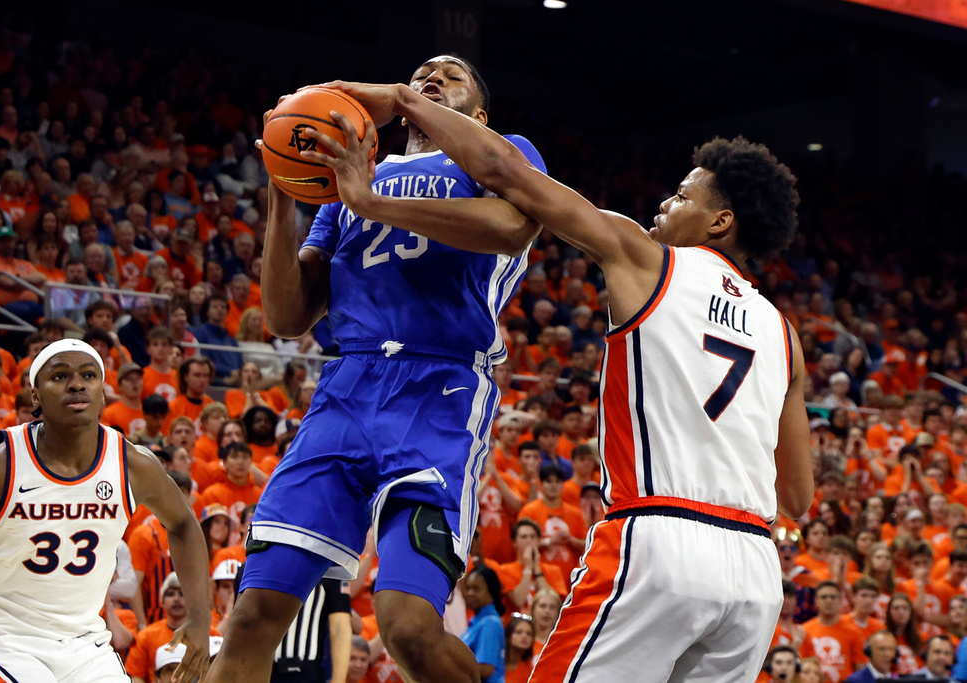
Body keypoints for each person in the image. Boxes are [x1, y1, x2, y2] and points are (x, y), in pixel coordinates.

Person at [310, 71, 813, 682]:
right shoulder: (784, 334)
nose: (665, 204)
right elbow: (797, 497)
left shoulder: (644, 257)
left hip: (660, 538)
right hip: (756, 570)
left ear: (720, 222)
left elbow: (507, 173)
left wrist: (403, 100)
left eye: (683, 197)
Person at [207, 55, 546, 683]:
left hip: (439, 387)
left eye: (451, 75)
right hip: (347, 387)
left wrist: (372, 200)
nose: (431, 77)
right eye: (421, 73)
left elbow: (510, 228)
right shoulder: (353, 179)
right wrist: (284, 191)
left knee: (407, 626)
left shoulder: (500, 154)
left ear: (479, 115)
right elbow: (286, 316)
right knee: (252, 615)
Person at [0, 338, 211, 683]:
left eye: (88, 375)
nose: (76, 384)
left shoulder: (133, 465)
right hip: (0, 641)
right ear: (35, 396)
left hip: (86, 646)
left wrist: (200, 619)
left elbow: (184, 524)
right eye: (60, 376)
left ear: (103, 393)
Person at [461, 567, 506, 683]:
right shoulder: (477, 620)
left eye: (476, 589)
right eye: (468, 588)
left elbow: (486, 669)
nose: (470, 593)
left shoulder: (490, 623)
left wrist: (447, 667)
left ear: (491, 592)